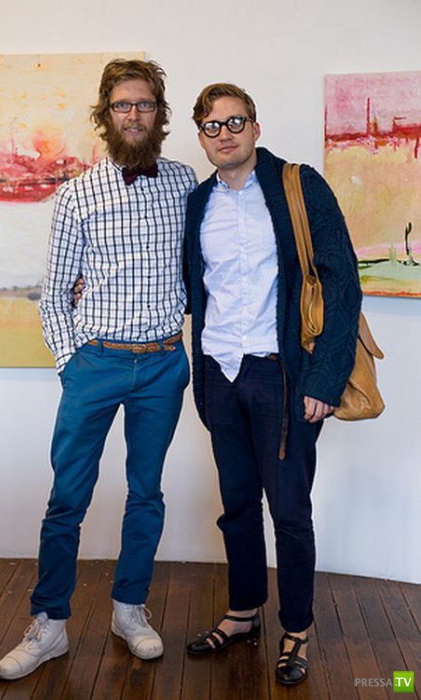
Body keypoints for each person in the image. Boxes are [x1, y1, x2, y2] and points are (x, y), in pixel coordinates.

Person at [0, 59, 196, 681]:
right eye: (122, 105)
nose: (133, 115)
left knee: (146, 493)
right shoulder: (77, 194)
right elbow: (54, 293)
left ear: (159, 113)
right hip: (96, 363)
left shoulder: (186, 182)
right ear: (105, 115)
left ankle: (129, 610)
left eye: (144, 104)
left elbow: (202, 266)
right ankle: (49, 623)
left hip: (163, 364)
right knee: (67, 499)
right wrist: (71, 363)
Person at [183, 83, 362, 686]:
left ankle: (297, 627)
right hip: (219, 372)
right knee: (236, 505)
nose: (224, 133)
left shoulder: (298, 186)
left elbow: (342, 282)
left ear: (255, 127)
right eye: (212, 125)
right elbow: (192, 285)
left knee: (288, 509)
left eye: (235, 121)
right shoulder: (198, 203)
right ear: (201, 136)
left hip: (280, 375)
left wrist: (325, 379)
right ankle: (243, 612)